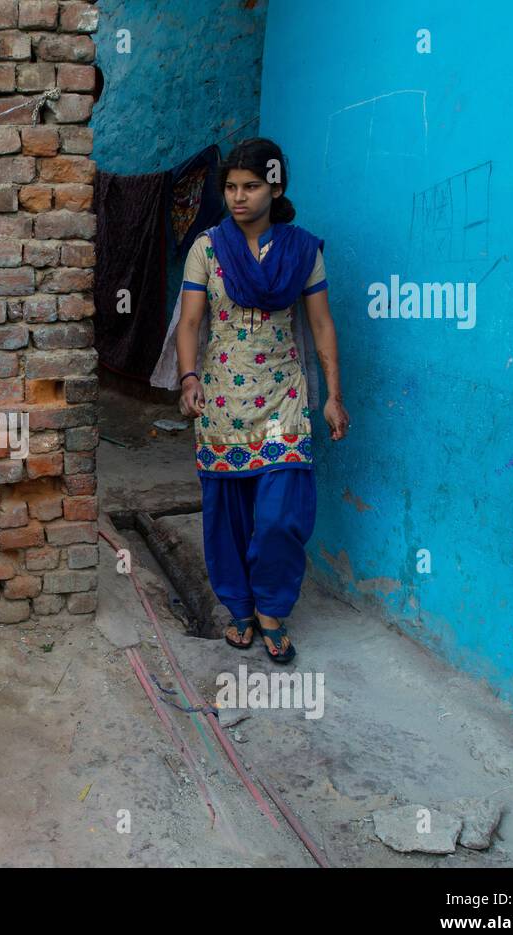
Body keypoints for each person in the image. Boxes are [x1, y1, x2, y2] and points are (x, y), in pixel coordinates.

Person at [175, 138, 349, 664]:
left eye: (251, 186)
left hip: (285, 398)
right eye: (230, 187)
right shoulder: (207, 247)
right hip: (222, 398)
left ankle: (272, 610)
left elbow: (321, 325)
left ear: (276, 187)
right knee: (225, 513)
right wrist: (188, 378)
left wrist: (334, 395)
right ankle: (241, 610)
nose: (238, 197)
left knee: (280, 516)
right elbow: (189, 322)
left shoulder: (302, 251)